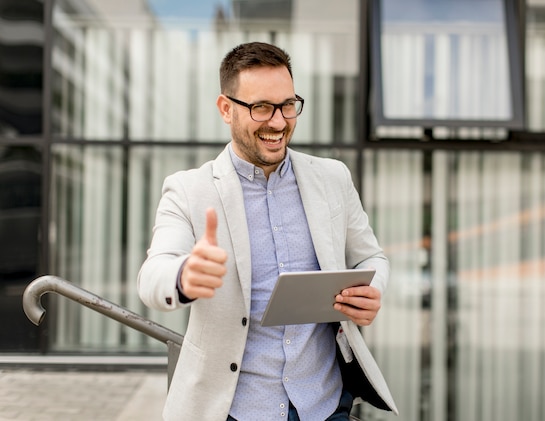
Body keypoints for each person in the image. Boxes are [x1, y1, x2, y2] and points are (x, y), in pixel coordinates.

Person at [137, 41, 398, 421]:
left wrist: (374, 289)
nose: (278, 122)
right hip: (231, 410)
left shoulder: (333, 178)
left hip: (324, 406)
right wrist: (183, 276)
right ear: (226, 109)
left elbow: (371, 256)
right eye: (261, 107)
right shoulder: (188, 189)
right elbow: (152, 275)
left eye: (288, 105)